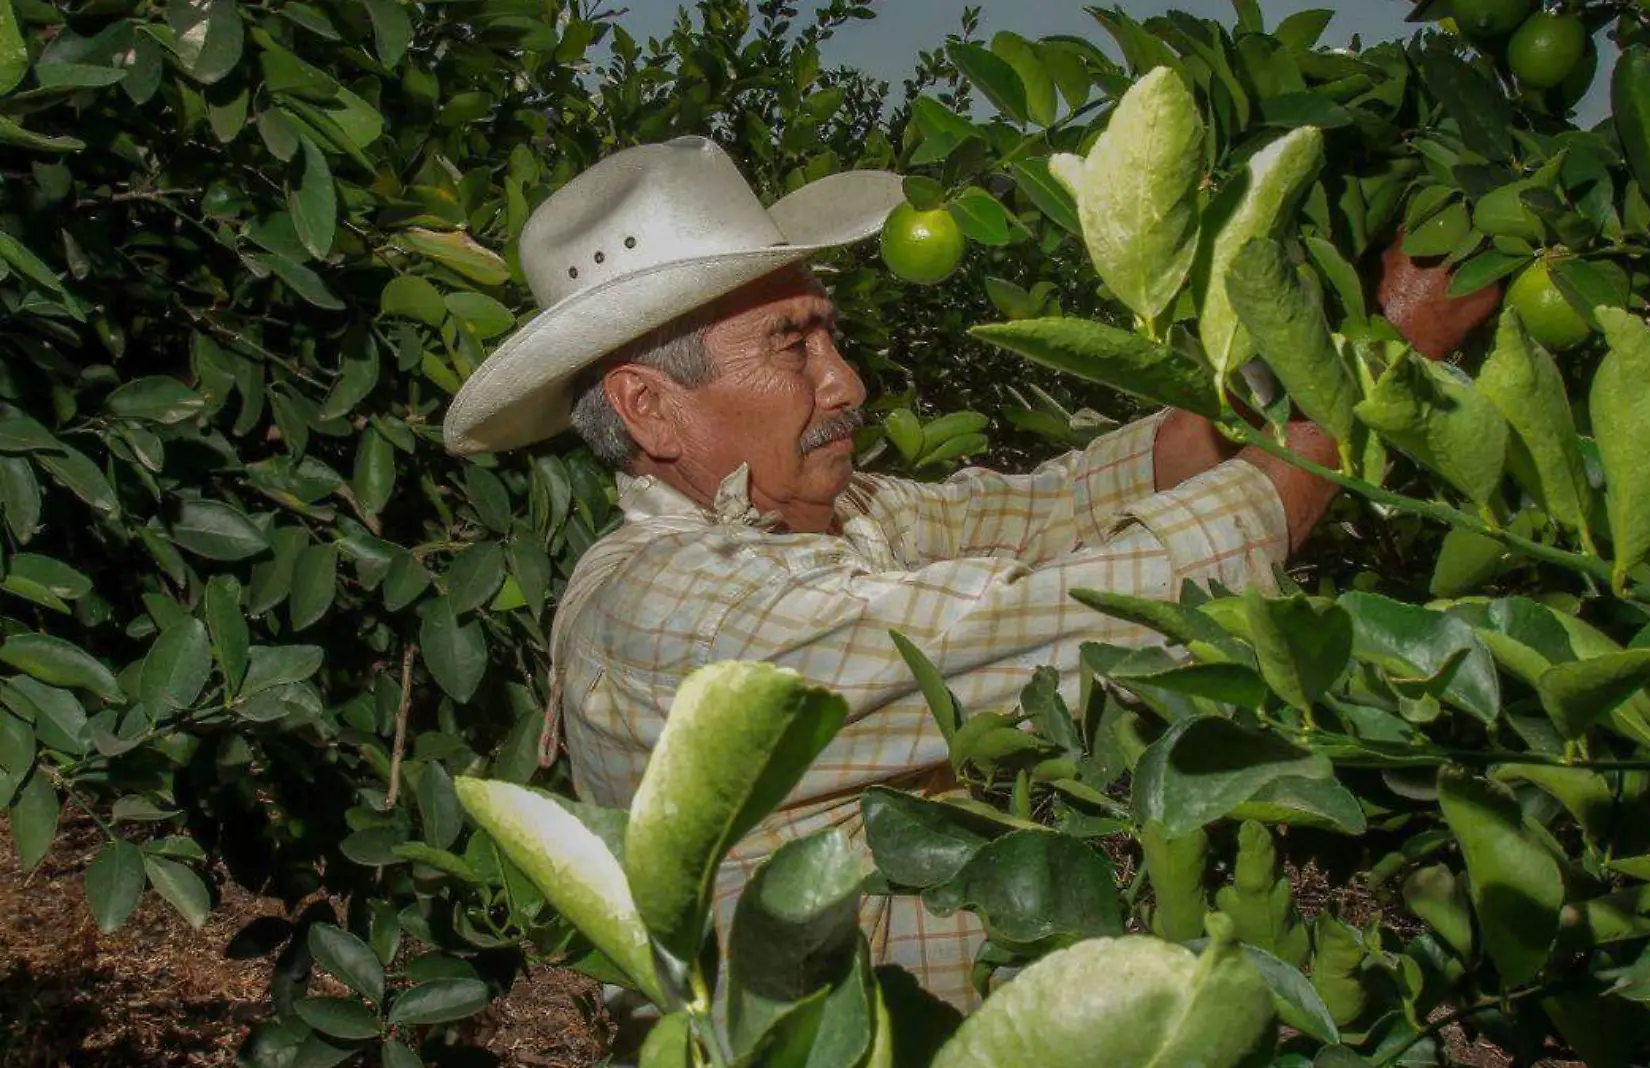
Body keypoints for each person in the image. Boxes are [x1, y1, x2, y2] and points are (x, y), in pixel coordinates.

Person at [442, 136, 1495, 1016]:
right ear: (649, 408)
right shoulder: (668, 606)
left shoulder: (826, 521)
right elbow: (1061, 620)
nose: (843, 380)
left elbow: (1067, 502)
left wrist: (1331, 334)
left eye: (829, 333)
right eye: (790, 343)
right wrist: (1368, 375)